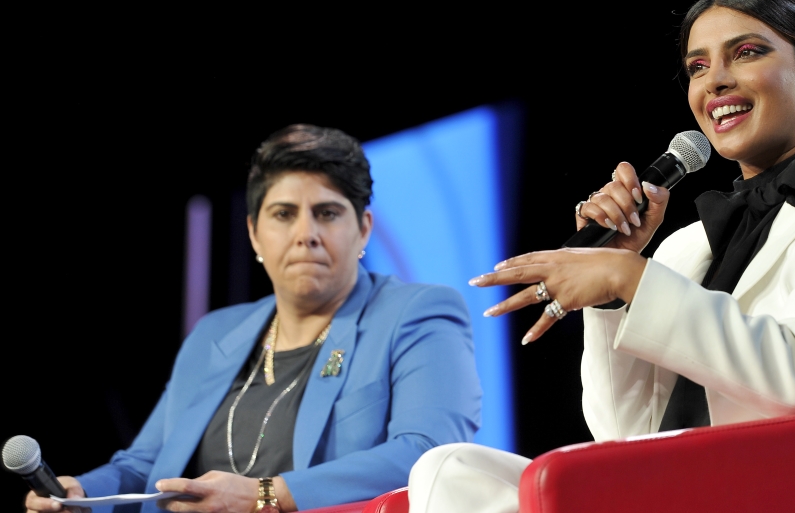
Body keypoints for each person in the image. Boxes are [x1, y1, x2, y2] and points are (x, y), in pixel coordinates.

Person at [407, 0, 795, 513]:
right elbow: (625, 435)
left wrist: (629, 279)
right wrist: (614, 284)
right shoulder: (686, 247)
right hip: (685, 492)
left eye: (747, 52)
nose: (716, 82)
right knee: (452, 471)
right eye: (698, 67)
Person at [26, 125, 482, 513]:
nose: (306, 235)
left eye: (327, 213)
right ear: (254, 233)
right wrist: (82, 492)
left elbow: (429, 455)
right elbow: (145, 463)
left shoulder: (417, 312)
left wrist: (264, 496)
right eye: (284, 214)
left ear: (363, 228)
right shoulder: (215, 333)